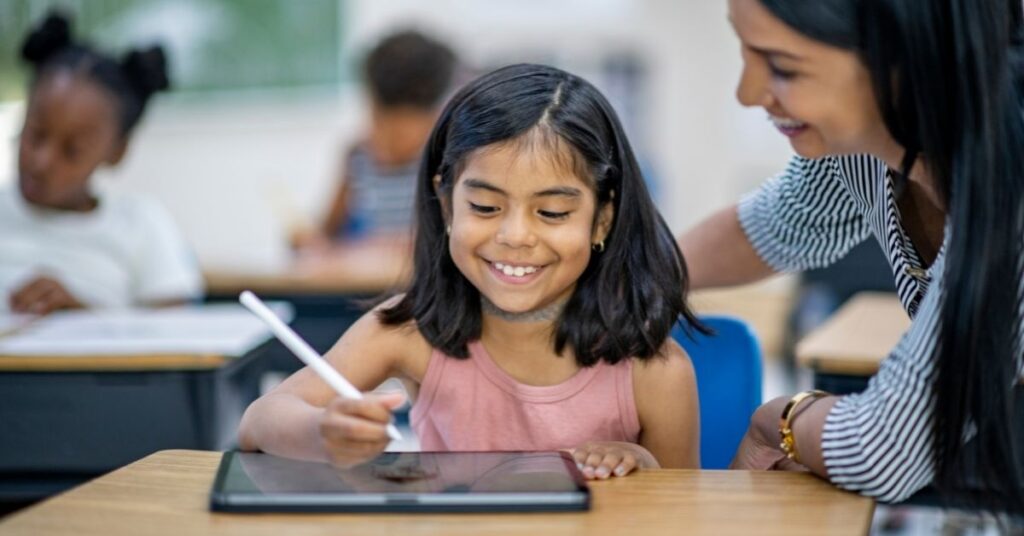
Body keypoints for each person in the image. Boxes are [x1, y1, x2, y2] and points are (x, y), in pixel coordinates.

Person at [240, 63, 703, 479]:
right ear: (445, 205)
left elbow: (682, 516)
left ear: (602, 218)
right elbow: (260, 422)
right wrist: (321, 432)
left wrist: (647, 472)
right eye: (484, 206)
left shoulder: (655, 371)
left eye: (553, 213)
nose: (515, 235)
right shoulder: (410, 330)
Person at [679, 0, 1024, 512]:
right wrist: (609, 276)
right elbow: (774, 224)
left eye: (783, 67)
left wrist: (779, 421)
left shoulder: (1009, 178)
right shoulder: (870, 145)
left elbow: (880, 450)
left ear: (904, 58)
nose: (748, 93)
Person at [0, 13, 203, 314]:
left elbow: (176, 335)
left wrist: (82, 317)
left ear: (117, 152)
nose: (41, 161)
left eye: (72, 151)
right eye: (35, 134)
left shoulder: (139, 225)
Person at [292, 30, 457, 250]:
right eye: (377, 121)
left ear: (435, 116)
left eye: (399, 132)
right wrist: (308, 238)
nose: (384, 141)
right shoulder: (358, 157)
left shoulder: (446, 160)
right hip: (365, 281)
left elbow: (448, 234)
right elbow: (326, 231)